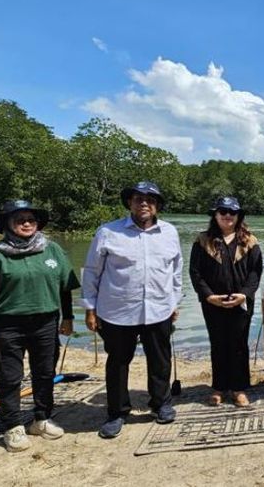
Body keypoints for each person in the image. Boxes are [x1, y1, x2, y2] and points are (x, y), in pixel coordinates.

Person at [81, 181, 182, 439]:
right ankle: (117, 412)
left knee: (160, 360)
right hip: (116, 311)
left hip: (159, 308)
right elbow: (92, 271)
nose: (144, 203)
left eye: (150, 199)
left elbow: (176, 271)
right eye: (138, 199)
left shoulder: (170, 232)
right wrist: (90, 308)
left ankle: (161, 403)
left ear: (157, 205)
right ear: (130, 203)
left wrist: (174, 302)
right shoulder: (107, 232)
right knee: (117, 362)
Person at [0, 200, 79, 452]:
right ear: (6, 224)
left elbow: (64, 288)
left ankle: (41, 419)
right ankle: (13, 427)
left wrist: (68, 318)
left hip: (46, 322)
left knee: (45, 373)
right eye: (19, 219)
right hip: (6, 325)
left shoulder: (52, 250)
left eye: (31, 218)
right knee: (9, 378)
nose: (26, 223)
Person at [189, 196, 262, 407]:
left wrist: (245, 294)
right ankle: (219, 387)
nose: (227, 216)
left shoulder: (250, 241)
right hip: (213, 302)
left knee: (239, 344)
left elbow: (255, 272)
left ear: (238, 216)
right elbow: (195, 272)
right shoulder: (202, 241)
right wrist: (208, 296)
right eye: (223, 211)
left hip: (241, 302)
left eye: (232, 212)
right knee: (218, 343)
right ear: (215, 215)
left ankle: (239, 388)